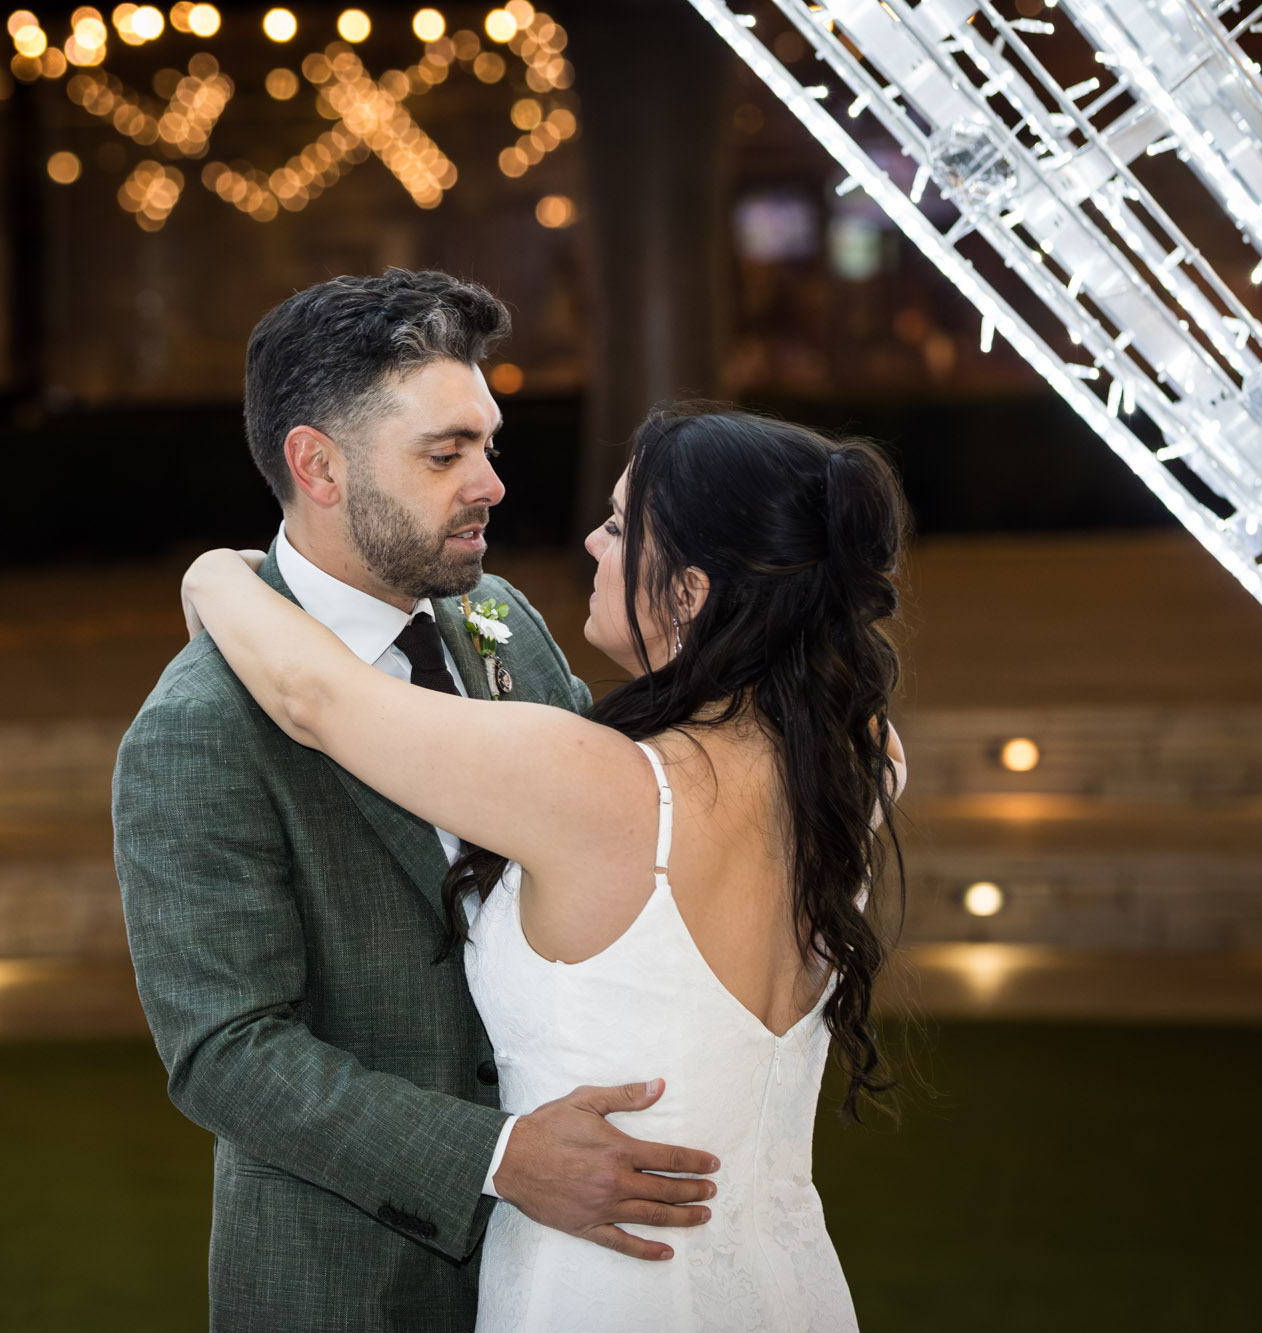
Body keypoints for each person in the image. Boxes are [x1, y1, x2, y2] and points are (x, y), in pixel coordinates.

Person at [178, 401, 910, 1330]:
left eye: (617, 526)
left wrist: (215, 575)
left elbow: (312, 696)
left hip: (606, 1291)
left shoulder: (594, 785)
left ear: (687, 591)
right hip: (785, 1285)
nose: (595, 546)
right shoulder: (860, 760)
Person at [113, 271, 720, 1332]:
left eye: (487, 444)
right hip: (349, 1283)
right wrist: (499, 1156)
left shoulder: (503, 622)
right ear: (318, 465)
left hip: (572, 1275)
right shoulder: (198, 726)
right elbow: (225, 1050)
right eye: (444, 455)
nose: (487, 482)